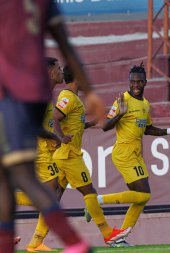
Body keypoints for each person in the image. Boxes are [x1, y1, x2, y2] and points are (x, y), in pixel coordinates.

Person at [0, 1, 105, 253]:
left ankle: (74, 242)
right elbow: (66, 45)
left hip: (13, 92)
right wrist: (90, 92)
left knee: (24, 176)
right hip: (32, 93)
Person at [90, 63, 170, 247]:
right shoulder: (123, 100)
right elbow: (105, 127)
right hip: (124, 154)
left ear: (145, 82)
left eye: (139, 82)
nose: (135, 85)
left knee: (139, 198)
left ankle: (117, 239)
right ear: (129, 82)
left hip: (135, 154)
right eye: (132, 82)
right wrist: (121, 113)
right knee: (144, 194)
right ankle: (98, 201)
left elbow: (148, 128)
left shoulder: (145, 104)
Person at [53, 65, 129, 246]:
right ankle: (108, 233)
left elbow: (77, 124)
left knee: (52, 198)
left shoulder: (75, 99)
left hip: (67, 155)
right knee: (89, 192)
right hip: (69, 155)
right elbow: (55, 117)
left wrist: (94, 121)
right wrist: (61, 137)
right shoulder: (67, 97)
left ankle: (35, 241)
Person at [15, 57, 64, 252]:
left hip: (44, 149)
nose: (61, 71)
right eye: (58, 68)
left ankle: (36, 242)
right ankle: (35, 243)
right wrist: (54, 136)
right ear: (50, 72)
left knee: (54, 192)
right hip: (38, 149)